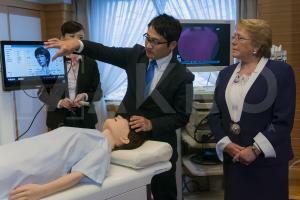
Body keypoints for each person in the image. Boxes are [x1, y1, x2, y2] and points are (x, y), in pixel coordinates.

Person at [45, 14, 194, 200]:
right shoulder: (136, 56)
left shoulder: (184, 76)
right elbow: (104, 51)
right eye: (147, 37)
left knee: (164, 194)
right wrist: (78, 44)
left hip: (159, 145)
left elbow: (182, 116)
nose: (148, 45)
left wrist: (152, 124)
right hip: (124, 142)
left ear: (172, 45)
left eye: (155, 42)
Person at [208, 19, 296, 200]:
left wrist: (255, 150)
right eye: (234, 37)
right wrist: (226, 144)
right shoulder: (225, 74)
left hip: (266, 162)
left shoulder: (281, 72)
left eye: (240, 38)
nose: (233, 41)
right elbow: (214, 115)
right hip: (234, 159)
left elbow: (282, 120)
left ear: (257, 45)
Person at [1, 115, 148, 199]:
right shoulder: (94, 135)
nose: (119, 116)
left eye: (126, 121)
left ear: (125, 138)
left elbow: (78, 175)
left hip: (31, 163)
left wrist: (41, 191)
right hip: (24, 150)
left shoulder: (103, 147)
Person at [38, 21, 102, 130]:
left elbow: (98, 93)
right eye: (71, 36)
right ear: (62, 38)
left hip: (86, 121)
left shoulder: (91, 63)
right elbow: (42, 93)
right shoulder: (53, 61)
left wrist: (85, 96)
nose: (76, 41)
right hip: (57, 120)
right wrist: (60, 102)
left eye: (80, 37)